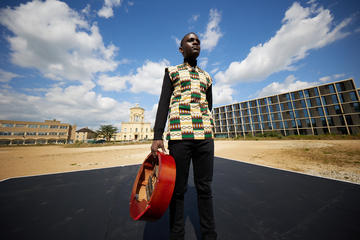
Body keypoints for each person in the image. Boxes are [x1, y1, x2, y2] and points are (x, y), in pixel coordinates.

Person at [151, 32, 217, 240]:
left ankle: (209, 235)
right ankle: (176, 235)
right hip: (180, 136)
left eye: (198, 41)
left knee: (204, 188)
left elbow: (209, 104)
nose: (195, 42)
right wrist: (157, 135)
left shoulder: (207, 77)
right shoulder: (172, 72)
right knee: (177, 190)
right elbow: (163, 103)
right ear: (181, 49)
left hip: (205, 136)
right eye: (190, 40)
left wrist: (204, 122)